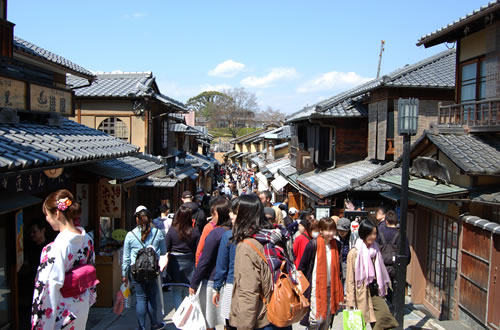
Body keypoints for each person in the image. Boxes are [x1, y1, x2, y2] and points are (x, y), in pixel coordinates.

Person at [31, 189, 97, 330]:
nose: (47, 219)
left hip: (61, 316)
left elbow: (45, 291)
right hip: (80, 309)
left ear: (57, 213)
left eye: (47, 215)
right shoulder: (87, 241)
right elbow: (91, 278)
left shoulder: (54, 249)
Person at [230, 194, 294, 330]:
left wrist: (244, 326)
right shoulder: (273, 236)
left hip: (262, 318)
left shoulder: (246, 246)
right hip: (281, 311)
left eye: (235, 212)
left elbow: (248, 291)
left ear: (244, 216)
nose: (231, 216)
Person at [345, 220, 398, 330]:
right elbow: (350, 279)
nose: (373, 236)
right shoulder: (354, 253)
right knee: (360, 325)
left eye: (375, 233)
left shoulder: (376, 249)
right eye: (370, 234)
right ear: (363, 234)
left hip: (374, 291)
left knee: (384, 318)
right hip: (360, 293)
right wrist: (350, 301)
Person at [189, 198, 231, 330]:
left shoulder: (215, 233)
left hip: (212, 280)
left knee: (209, 320)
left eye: (214, 214)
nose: (212, 218)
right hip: (230, 281)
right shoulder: (235, 232)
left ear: (222, 214)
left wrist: (194, 282)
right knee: (228, 321)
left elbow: (204, 260)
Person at [122, 208, 166, 330]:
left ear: (137, 220)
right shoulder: (158, 233)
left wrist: (124, 274)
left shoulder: (130, 235)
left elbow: (126, 258)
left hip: (136, 271)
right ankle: (154, 324)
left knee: (140, 298)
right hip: (153, 271)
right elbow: (163, 252)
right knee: (152, 297)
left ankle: (141, 327)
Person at [298, 218, 343, 329]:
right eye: (328, 230)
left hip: (330, 287)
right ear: (321, 230)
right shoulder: (312, 245)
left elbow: (339, 267)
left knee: (326, 321)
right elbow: (301, 267)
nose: (331, 233)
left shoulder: (337, 244)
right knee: (317, 319)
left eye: (333, 230)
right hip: (315, 287)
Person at [164, 205, 200, 310]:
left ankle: (179, 316)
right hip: (190, 263)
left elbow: (166, 248)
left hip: (175, 264)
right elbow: (198, 249)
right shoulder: (195, 231)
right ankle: (186, 319)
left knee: (176, 291)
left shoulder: (172, 231)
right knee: (187, 291)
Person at [212, 198, 239, 330]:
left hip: (231, 284)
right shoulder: (257, 235)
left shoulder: (229, 236)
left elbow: (222, 266)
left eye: (234, 212)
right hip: (253, 289)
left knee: (230, 323)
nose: (230, 215)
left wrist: (216, 287)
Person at [376, 210, 410, 304]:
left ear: (386, 221)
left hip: (382, 265)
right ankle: (396, 304)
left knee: (382, 285)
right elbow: (407, 254)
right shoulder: (401, 235)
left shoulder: (379, 233)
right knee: (397, 287)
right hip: (396, 266)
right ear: (396, 221)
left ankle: (389, 301)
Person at [196, 196, 225, 266]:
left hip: (211, 266)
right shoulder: (230, 228)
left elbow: (200, 250)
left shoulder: (209, 227)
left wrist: (197, 265)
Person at [336, 217, 358, 288]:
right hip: (338, 264)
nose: (341, 232)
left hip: (349, 264)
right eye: (339, 230)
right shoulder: (335, 238)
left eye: (343, 230)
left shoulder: (354, 237)